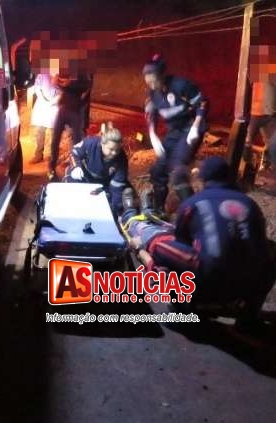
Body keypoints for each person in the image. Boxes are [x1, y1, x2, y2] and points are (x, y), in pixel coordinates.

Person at [121, 157, 274, 322]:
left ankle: (181, 305)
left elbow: (180, 240)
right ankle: (249, 316)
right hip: (245, 284)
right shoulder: (250, 204)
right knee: (269, 252)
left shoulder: (195, 202)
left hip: (207, 282)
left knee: (160, 245)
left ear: (203, 179)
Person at [143, 54, 208, 213]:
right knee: (158, 170)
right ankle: (159, 210)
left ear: (162, 76)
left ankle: (193, 213)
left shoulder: (181, 86)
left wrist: (196, 126)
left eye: (154, 81)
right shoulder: (153, 94)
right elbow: (151, 114)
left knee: (177, 171)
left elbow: (202, 103)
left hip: (190, 129)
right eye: (148, 82)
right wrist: (152, 134)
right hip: (174, 132)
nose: (152, 85)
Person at [65, 122, 130, 215]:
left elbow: (117, 185)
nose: (114, 153)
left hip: (103, 183)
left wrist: (117, 211)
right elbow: (74, 153)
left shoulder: (121, 159)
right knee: (73, 192)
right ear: (102, 144)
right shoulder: (90, 143)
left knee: (114, 199)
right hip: (83, 176)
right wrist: (76, 167)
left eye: (117, 150)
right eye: (111, 149)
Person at [48, 72, 90, 180]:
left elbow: (85, 86)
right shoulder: (66, 68)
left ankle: (77, 167)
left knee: (76, 140)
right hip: (63, 108)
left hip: (75, 110)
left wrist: (69, 84)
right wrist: (58, 82)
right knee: (55, 139)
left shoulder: (83, 71)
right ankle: (52, 167)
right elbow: (64, 85)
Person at [243, 79, 276, 172]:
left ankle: (265, 165)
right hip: (256, 112)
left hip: (269, 113)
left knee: (270, 143)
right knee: (248, 141)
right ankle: (247, 165)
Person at [28, 73, 60, 164]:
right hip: (41, 106)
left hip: (54, 107)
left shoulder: (61, 74)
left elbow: (62, 91)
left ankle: (53, 156)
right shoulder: (42, 75)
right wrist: (45, 100)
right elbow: (37, 88)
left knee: (54, 133)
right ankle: (38, 155)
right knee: (39, 131)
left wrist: (53, 101)